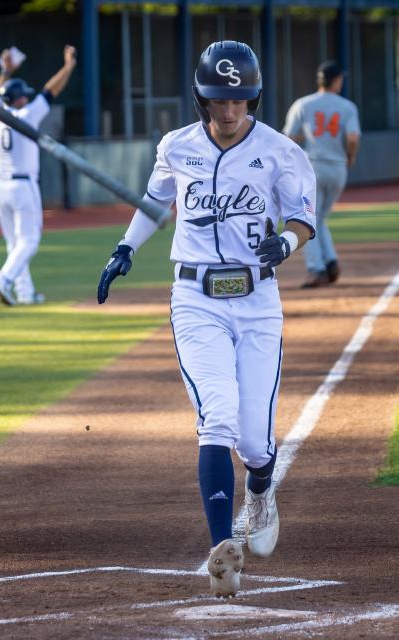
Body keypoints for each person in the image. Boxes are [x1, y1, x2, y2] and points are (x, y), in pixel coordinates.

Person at [96, 40, 316, 597]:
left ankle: (261, 490)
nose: (229, 111)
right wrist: (125, 249)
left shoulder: (280, 151)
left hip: (258, 301)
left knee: (257, 444)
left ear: (254, 99)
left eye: (240, 100)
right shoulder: (176, 147)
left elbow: (303, 218)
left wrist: (286, 243)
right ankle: (225, 551)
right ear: (202, 98)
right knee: (215, 416)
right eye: (219, 100)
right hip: (196, 299)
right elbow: (153, 204)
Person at [0, 45, 77, 306]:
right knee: (29, 241)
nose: (27, 98)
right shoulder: (25, 115)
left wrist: (5, 71)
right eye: (23, 96)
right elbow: (50, 92)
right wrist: (68, 67)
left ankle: (24, 293)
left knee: (13, 243)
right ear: (17, 100)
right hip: (22, 185)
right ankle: (3, 279)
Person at [283, 60, 360, 288]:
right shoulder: (347, 106)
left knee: (307, 219)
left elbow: (289, 137)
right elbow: (353, 138)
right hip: (337, 168)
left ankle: (317, 268)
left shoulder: (304, 104)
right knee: (318, 218)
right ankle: (330, 261)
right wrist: (351, 157)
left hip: (311, 167)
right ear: (336, 80)